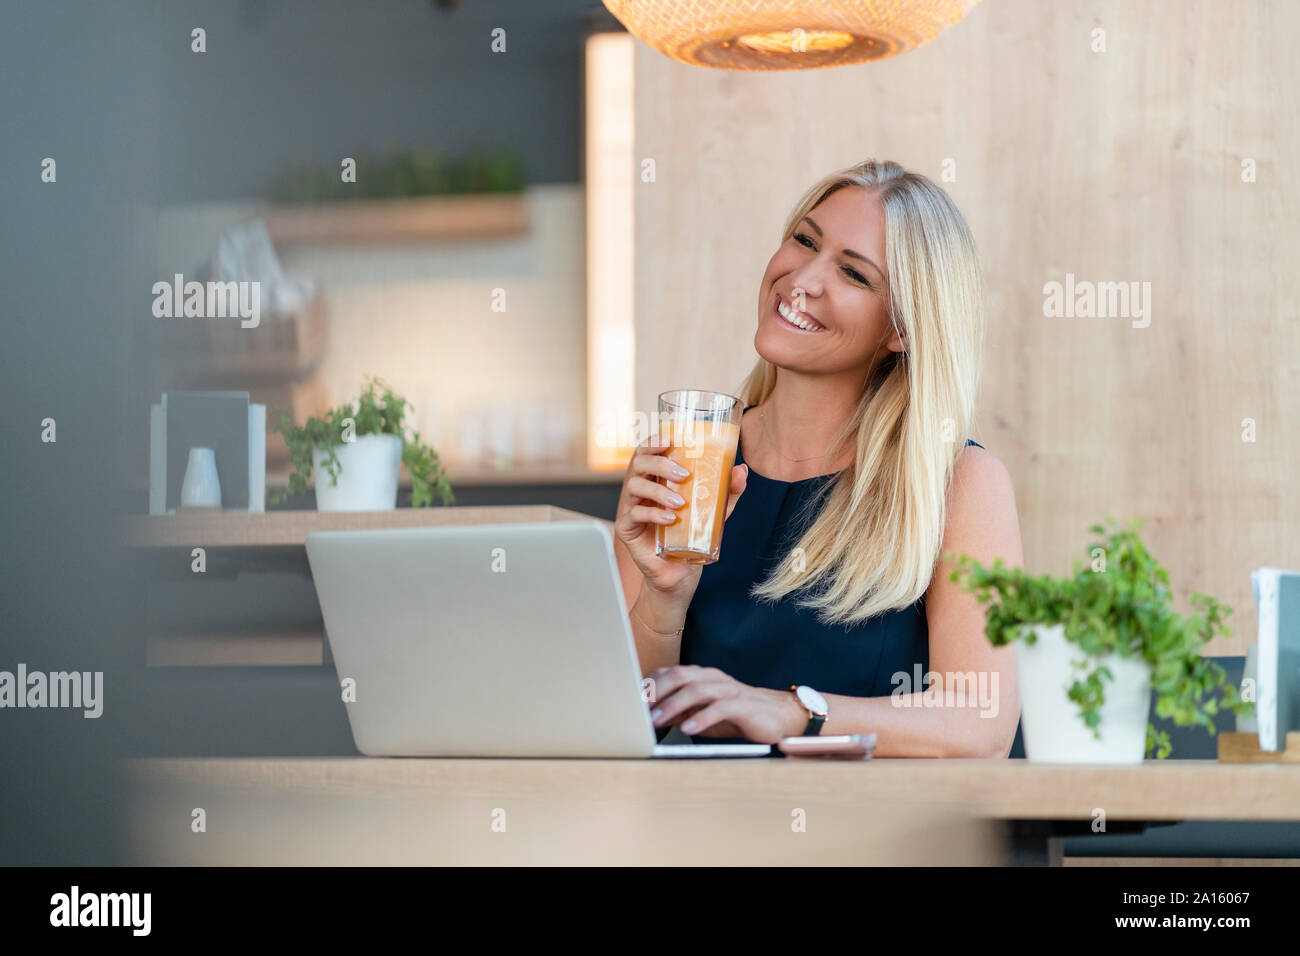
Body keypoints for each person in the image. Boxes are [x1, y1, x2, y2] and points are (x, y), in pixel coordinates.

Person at [613, 159, 1022, 757]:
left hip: (878, 839)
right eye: (805, 240)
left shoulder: (957, 482)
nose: (802, 278)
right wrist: (664, 597)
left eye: (853, 274)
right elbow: (628, 721)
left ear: (901, 329)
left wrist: (793, 710)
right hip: (704, 833)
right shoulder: (690, 460)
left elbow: (980, 724)